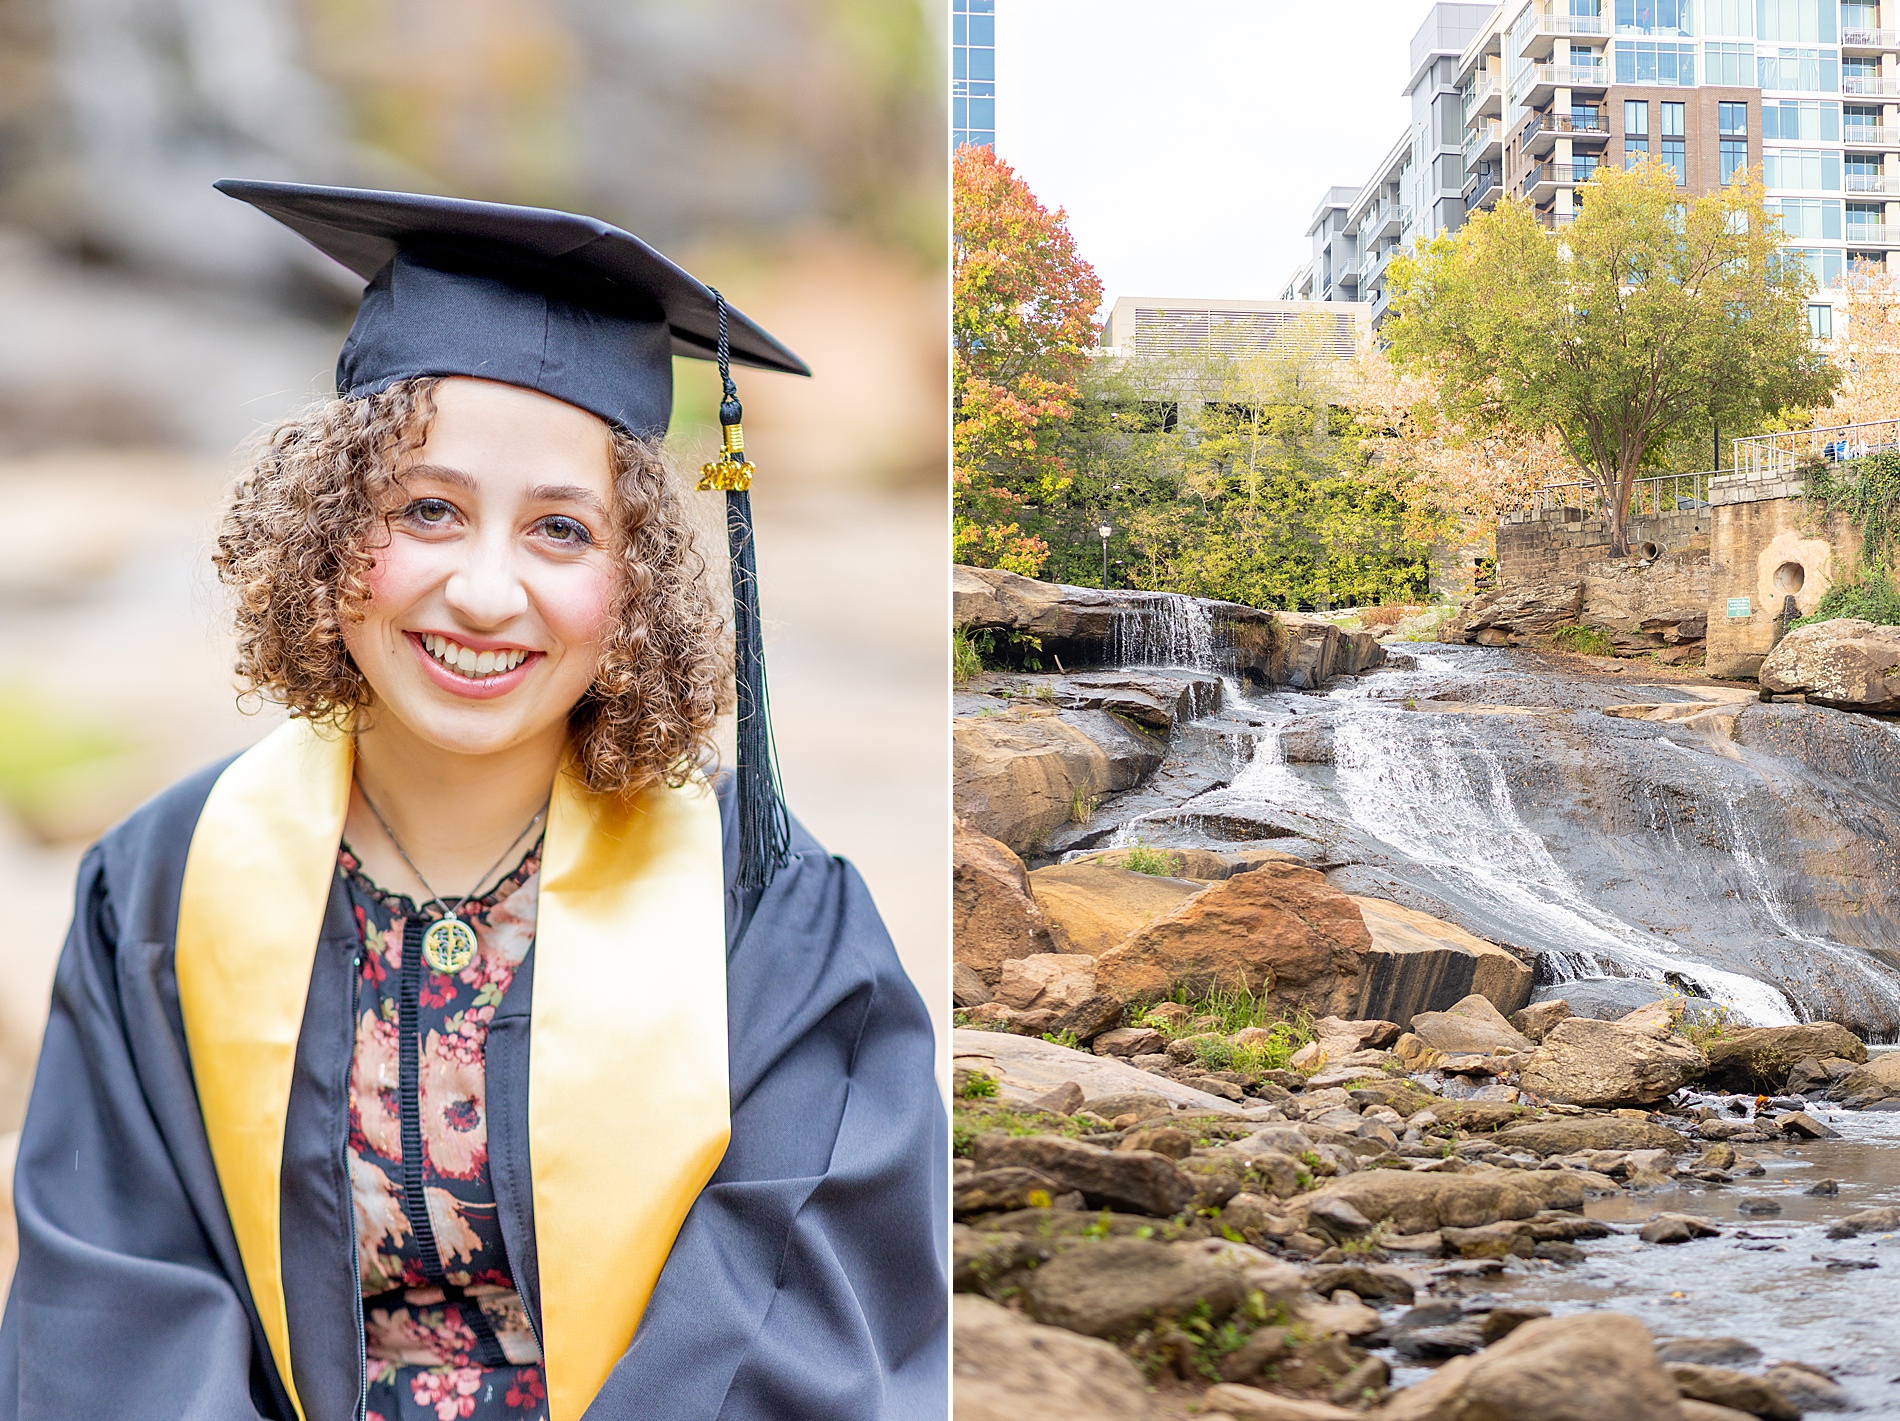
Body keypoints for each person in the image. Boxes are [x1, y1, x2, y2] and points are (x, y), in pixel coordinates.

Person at [0, 183, 946, 1421]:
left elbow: (790, 1330)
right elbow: (115, 1316)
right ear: (332, 526)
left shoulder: (773, 920)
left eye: (561, 529)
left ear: (638, 581)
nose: (486, 591)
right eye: (428, 509)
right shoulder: (165, 884)